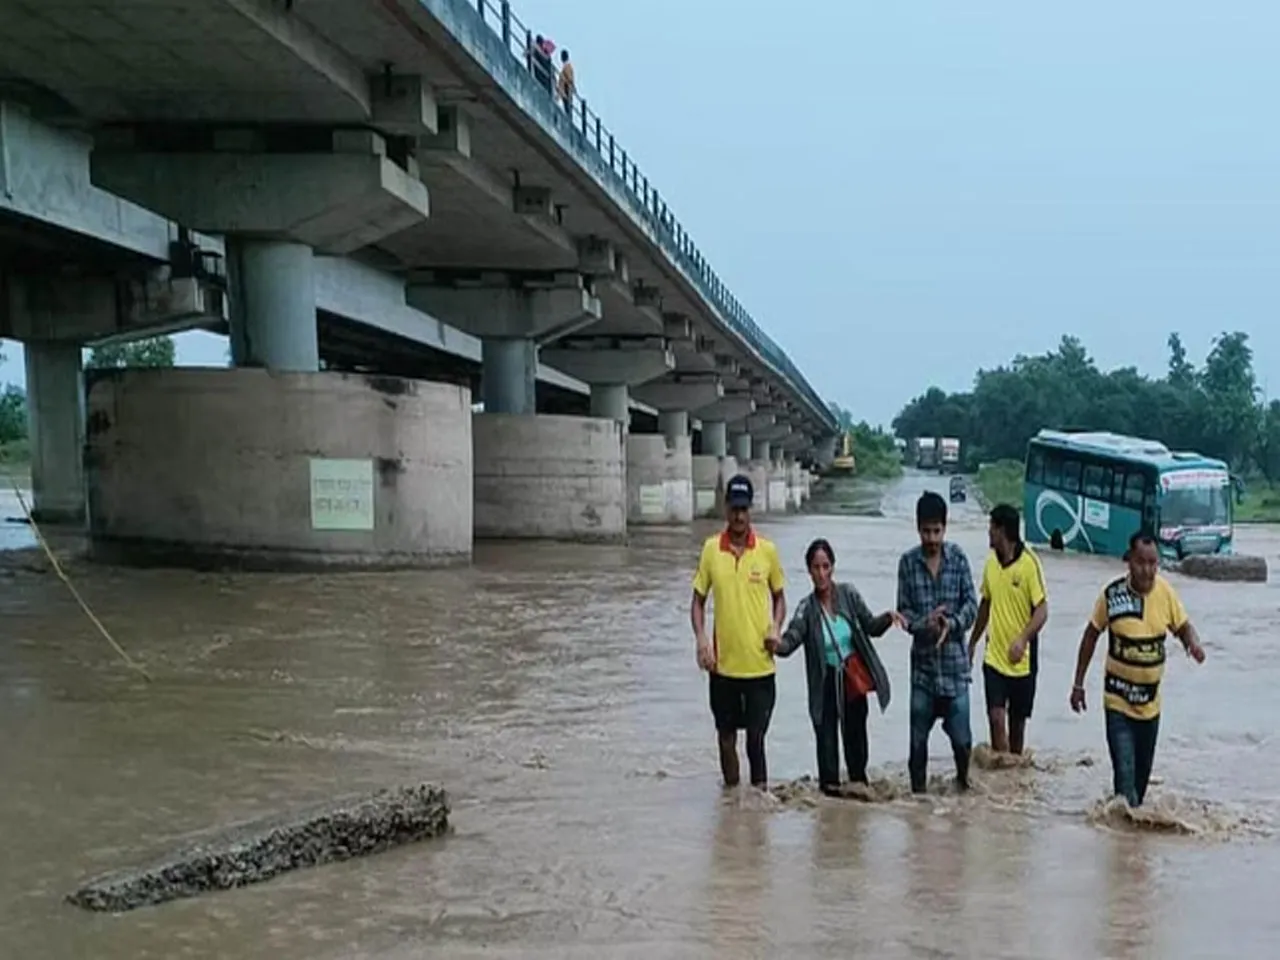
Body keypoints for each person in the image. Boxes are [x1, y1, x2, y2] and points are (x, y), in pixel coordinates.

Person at [1070, 530, 1206, 808]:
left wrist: (1193, 644)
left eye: (1153, 563)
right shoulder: (1112, 596)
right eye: (1142, 562)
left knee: (1139, 789)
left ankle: (1132, 844)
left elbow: (1183, 626)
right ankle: (1122, 846)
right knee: (1124, 780)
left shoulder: (1166, 593)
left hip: (1150, 708)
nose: (1148, 570)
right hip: (1118, 704)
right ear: (1129, 561)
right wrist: (1078, 684)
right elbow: (1090, 636)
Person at [772, 538, 905, 795]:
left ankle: (858, 800)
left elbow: (870, 627)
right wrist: (775, 645)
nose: (821, 574)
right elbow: (792, 638)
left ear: (833, 567)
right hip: (824, 684)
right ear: (809, 571)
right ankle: (829, 810)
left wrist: (888, 618)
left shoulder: (849, 595)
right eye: (815, 568)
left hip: (852, 680)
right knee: (827, 745)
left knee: (857, 744)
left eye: (825, 566)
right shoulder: (806, 608)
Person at [691, 474, 786, 789]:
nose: (739, 516)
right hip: (723, 666)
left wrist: (776, 626)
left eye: (744, 509)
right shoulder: (710, 551)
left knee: (756, 740)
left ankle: (759, 803)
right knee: (725, 738)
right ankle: (731, 802)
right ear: (725, 507)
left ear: (751, 509)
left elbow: (780, 598)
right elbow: (698, 602)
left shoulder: (767, 551)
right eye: (734, 508)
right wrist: (702, 639)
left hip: (760, 665)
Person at [896, 491, 978, 794]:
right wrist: (924, 624)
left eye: (936, 530)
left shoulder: (958, 559)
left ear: (945, 528)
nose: (931, 537)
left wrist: (951, 624)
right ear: (917, 528)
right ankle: (918, 801)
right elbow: (903, 612)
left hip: (955, 670)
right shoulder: (907, 563)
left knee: (962, 742)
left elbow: (972, 604)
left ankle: (962, 786)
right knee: (917, 745)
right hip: (924, 673)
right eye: (926, 531)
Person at [968, 503, 1049, 755]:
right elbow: (986, 604)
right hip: (994, 658)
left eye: (991, 528)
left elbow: (1042, 610)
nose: (988, 534)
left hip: (1021, 660)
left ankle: (1012, 781)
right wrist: (972, 643)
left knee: (1017, 727)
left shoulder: (1029, 564)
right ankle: (1000, 781)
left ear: (1002, 531)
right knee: (995, 720)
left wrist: (1023, 639)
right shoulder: (991, 563)